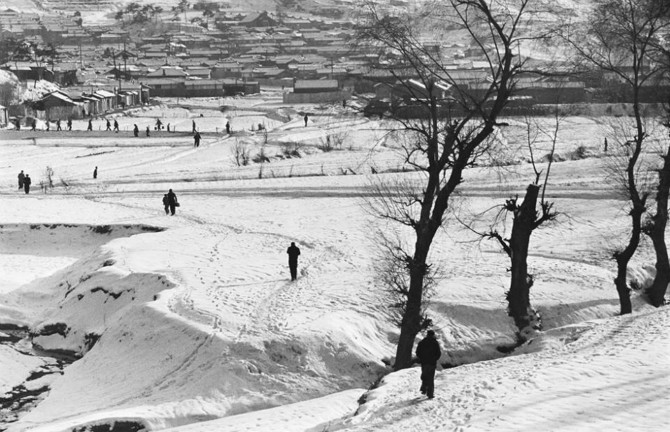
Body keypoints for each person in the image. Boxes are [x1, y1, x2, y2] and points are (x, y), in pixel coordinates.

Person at [416, 329, 441, 399]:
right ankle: (430, 394)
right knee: (431, 378)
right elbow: (438, 354)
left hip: (424, 363)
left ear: (427, 334)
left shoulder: (422, 342)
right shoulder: (435, 343)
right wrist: (434, 359)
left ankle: (424, 389)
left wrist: (421, 358)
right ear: (433, 335)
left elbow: (418, 352)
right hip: (432, 363)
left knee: (424, 375)